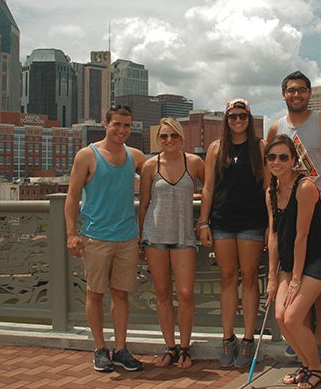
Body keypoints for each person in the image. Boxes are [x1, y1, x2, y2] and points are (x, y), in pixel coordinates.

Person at [267, 70, 321, 364]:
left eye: (302, 90)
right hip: (291, 211)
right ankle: (300, 332)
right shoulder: (277, 127)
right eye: (291, 90)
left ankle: (320, 335)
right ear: (284, 94)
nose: (296, 94)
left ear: (309, 93)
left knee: (318, 278)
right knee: (292, 271)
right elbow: (271, 171)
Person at [65, 105, 147, 373]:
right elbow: (72, 196)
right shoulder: (87, 156)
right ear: (106, 124)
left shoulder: (135, 156)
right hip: (96, 236)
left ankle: (121, 349)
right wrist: (71, 234)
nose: (122, 130)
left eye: (127, 125)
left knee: (121, 294)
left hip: (127, 237)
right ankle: (100, 349)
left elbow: (163, 172)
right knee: (95, 293)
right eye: (117, 125)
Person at [199, 98, 268, 368]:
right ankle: (228, 338)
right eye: (232, 116)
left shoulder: (260, 147)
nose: (237, 121)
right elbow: (208, 188)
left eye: (242, 116)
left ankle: (248, 339)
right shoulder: (216, 148)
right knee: (227, 278)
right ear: (225, 120)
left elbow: (267, 188)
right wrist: (203, 222)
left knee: (250, 278)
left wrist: (270, 226)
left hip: (252, 221)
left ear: (249, 119)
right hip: (222, 222)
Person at [265, 135, 321, 389]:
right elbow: (273, 236)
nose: (277, 162)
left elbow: (302, 236)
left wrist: (295, 279)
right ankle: (306, 366)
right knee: (281, 317)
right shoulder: (271, 192)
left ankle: (317, 370)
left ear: (294, 160)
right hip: (288, 262)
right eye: (272, 157)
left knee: (293, 317)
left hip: (316, 260)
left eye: (283, 157)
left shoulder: (305, 188)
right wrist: (273, 278)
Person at [138, 118, 204, 369]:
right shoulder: (149, 166)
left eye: (173, 136)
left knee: (186, 294)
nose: (169, 141)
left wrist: (203, 218)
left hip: (184, 236)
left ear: (181, 138)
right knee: (163, 294)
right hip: (154, 236)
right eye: (164, 137)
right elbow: (144, 203)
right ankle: (170, 347)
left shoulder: (194, 163)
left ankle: (185, 347)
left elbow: (210, 190)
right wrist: (139, 237)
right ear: (158, 140)